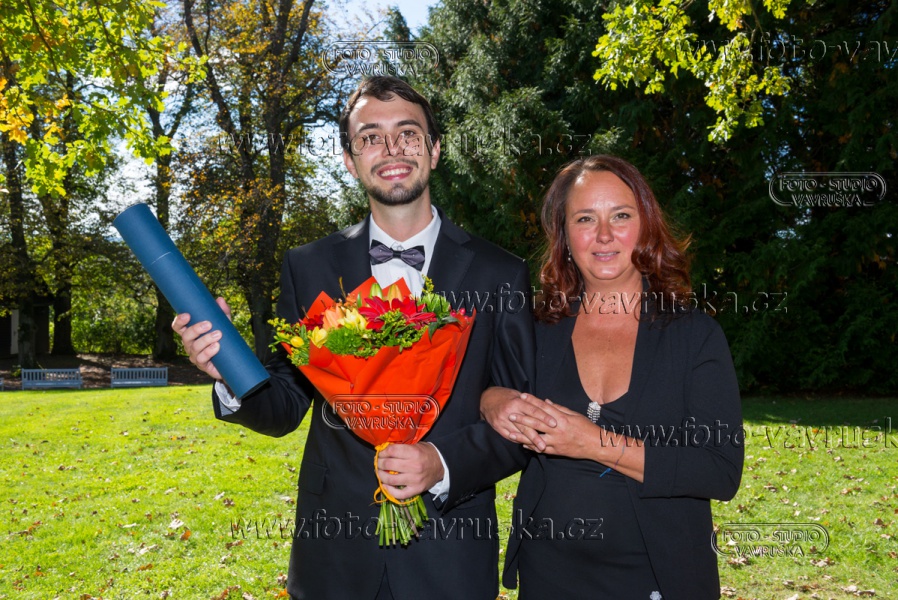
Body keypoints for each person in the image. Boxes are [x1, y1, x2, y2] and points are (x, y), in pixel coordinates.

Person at [172, 76, 534, 600]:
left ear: (434, 150)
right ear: (349, 159)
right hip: (332, 556)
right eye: (370, 137)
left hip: (450, 554)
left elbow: (518, 422)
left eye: (408, 133)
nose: (391, 149)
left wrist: (441, 462)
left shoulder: (500, 273)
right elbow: (285, 404)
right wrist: (226, 370)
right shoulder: (308, 266)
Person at [481, 155, 744, 600]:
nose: (604, 234)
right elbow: (479, 392)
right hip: (548, 576)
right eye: (585, 218)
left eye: (621, 216)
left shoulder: (694, 335)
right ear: (565, 236)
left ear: (646, 226)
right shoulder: (535, 329)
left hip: (658, 579)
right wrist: (490, 400)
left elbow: (719, 470)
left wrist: (592, 442)